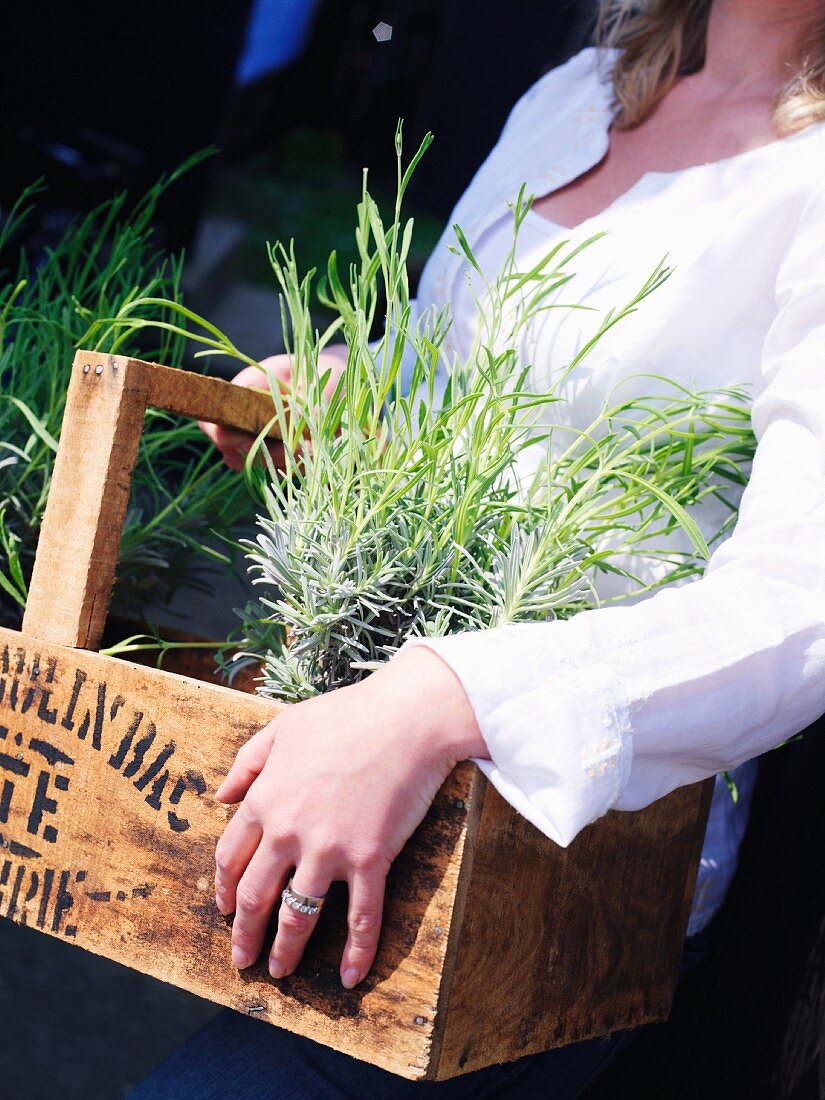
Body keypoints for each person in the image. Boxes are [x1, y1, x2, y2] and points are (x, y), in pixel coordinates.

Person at [134, 0, 825, 1095]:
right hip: (357, 774)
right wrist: (350, 389)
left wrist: (442, 697)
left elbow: (803, 600)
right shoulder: (582, 94)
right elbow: (453, 371)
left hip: (552, 865)